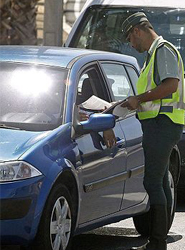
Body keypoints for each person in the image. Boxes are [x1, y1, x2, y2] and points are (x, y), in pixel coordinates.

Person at [121, 12, 185, 250]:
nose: (130, 43)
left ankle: (157, 243)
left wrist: (139, 99)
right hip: (160, 124)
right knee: (158, 181)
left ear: (137, 31)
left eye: (130, 38)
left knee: (153, 182)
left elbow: (170, 85)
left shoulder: (162, 50)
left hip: (162, 124)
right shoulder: (155, 53)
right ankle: (159, 240)